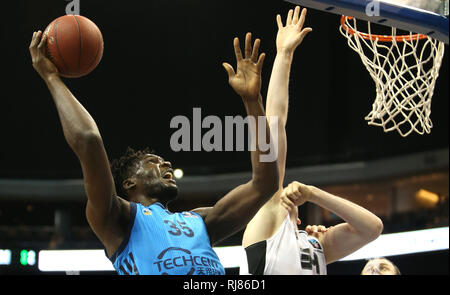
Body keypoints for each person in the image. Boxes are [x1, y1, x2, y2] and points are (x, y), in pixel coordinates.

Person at [29, 30, 279, 275]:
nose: (167, 163)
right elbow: (89, 139)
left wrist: (252, 100)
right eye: (152, 162)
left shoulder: (199, 221)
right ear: (129, 183)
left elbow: (265, 183)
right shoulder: (116, 218)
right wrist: (52, 78)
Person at [240, 6, 384, 275]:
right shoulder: (270, 214)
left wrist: (313, 193)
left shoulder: (315, 245)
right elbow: (275, 126)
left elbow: (372, 227)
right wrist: (283, 54)